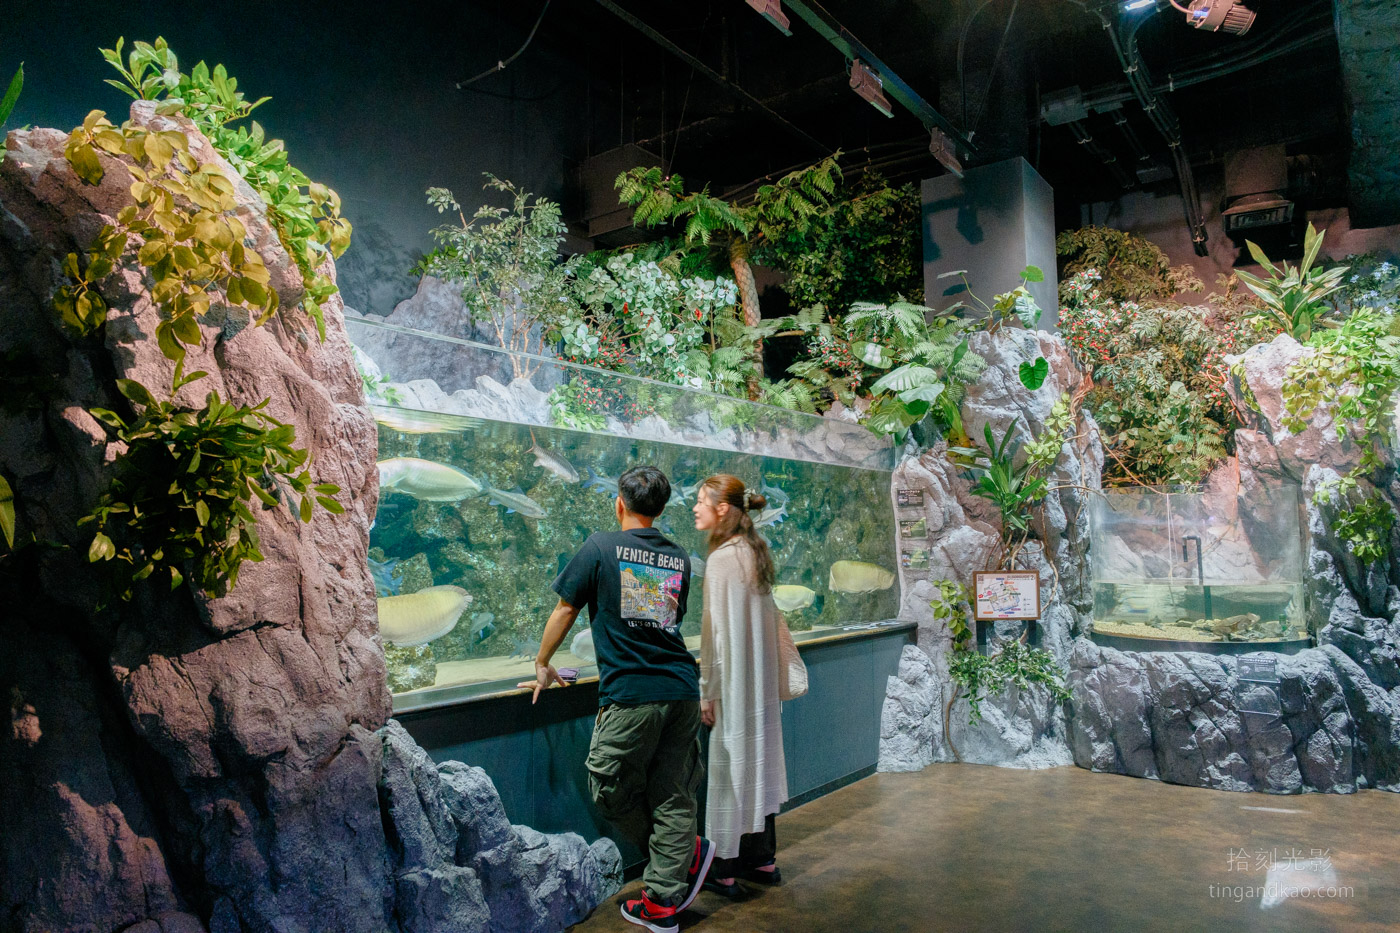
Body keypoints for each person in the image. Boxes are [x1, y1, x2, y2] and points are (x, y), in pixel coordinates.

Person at [529, 465, 715, 933]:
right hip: (680, 688)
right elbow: (666, 621)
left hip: (633, 693)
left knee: (608, 787)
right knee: (673, 793)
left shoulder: (600, 546)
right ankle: (666, 892)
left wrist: (542, 663)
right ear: (661, 509)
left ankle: (674, 863)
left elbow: (566, 607)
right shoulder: (677, 556)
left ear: (619, 503)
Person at [692, 474, 789, 897]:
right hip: (759, 683)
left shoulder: (721, 559)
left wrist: (706, 689)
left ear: (724, 509)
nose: (695, 508)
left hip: (733, 684)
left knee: (730, 765)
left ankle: (725, 869)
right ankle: (763, 860)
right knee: (759, 760)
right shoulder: (754, 551)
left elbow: (713, 636)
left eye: (701, 501)